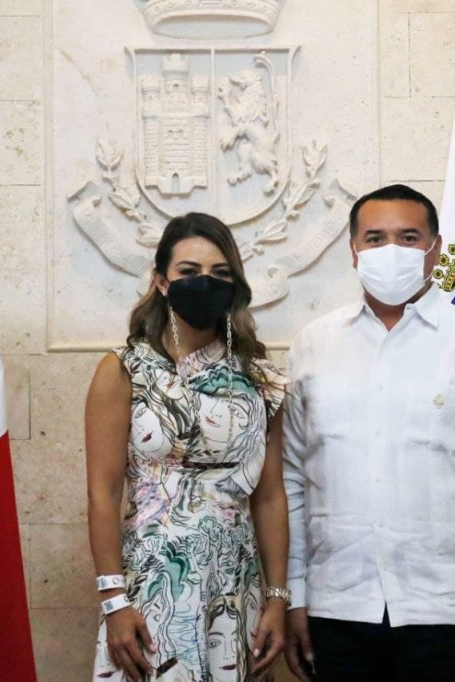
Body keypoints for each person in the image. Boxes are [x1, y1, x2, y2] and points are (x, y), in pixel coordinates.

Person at [282, 185, 455, 682]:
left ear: (435, 249)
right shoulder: (314, 346)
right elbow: (292, 481)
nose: (391, 251)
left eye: (408, 238)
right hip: (337, 609)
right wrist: (294, 596)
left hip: (451, 613)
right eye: (375, 238)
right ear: (354, 251)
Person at [86, 212, 291, 681]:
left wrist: (278, 598)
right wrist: (113, 599)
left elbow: (270, 496)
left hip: (235, 582)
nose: (205, 282)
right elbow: (103, 492)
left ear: (235, 285)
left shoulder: (259, 377)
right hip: (152, 581)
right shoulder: (124, 369)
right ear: (161, 281)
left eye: (220, 273)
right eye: (188, 271)